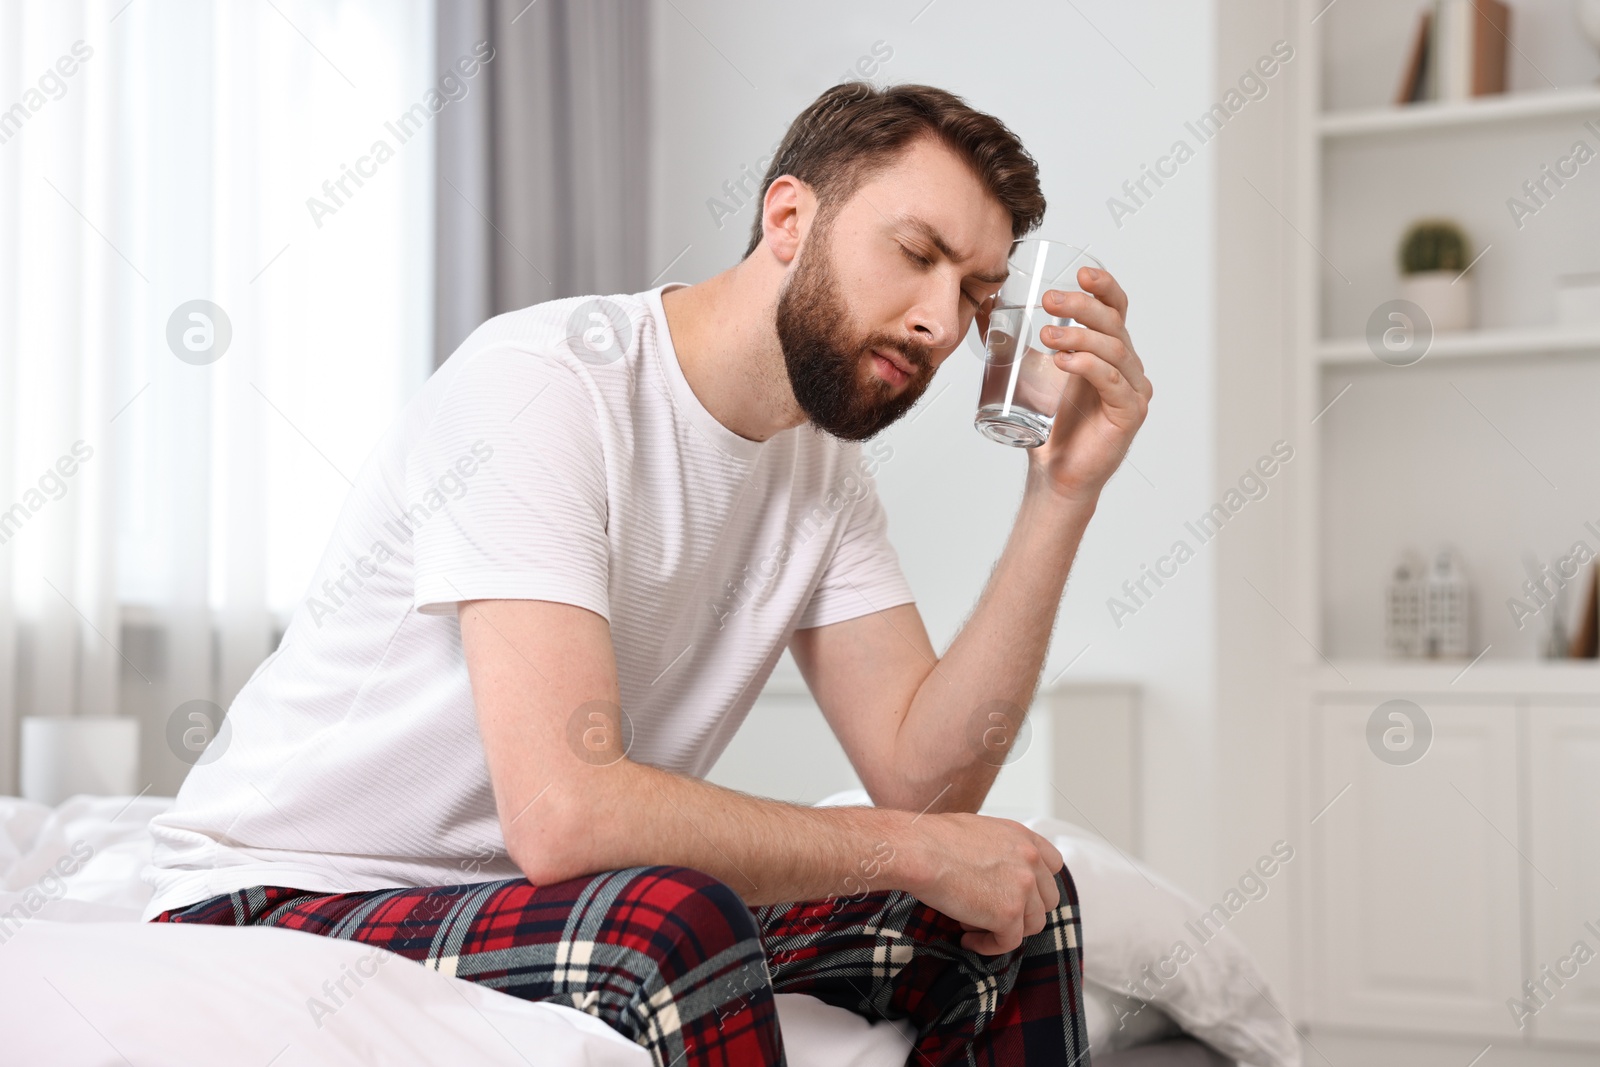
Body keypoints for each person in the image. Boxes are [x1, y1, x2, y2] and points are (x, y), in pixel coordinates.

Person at [144, 79, 1152, 1067]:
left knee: (1015, 895)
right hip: (291, 894)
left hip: (517, 901)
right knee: (673, 919)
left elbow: (927, 790)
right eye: (916, 254)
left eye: (975, 290)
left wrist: (1059, 495)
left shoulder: (823, 476)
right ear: (790, 216)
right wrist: (910, 846)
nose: (941, 320)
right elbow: (567, 812)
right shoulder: (542, 386)